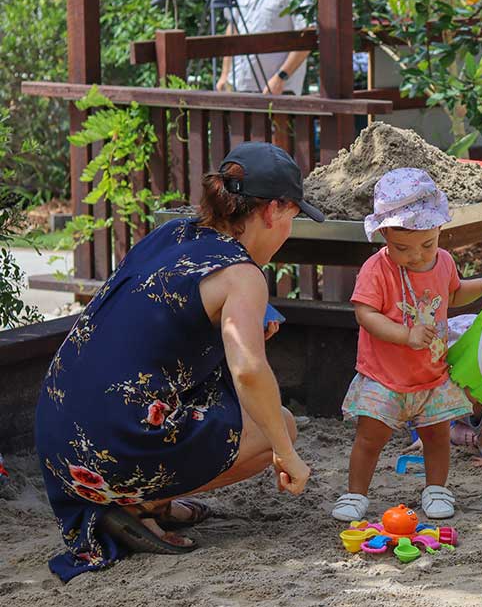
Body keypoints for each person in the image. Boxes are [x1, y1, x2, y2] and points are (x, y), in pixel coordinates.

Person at [34, 142, 324, 582]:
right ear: (272, 210)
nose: (290, 229)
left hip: (57, 438)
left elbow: (156, 321)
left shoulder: (174, 233)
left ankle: (143, 500)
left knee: (232, 409)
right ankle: (138, 504)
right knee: (278, 426)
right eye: (293, 216)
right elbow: (247, 369)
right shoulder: (243, 275)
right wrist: (288, 455)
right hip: (105, 452)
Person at [331, 168, 482, 522]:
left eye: (427, 244)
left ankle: (437, 489)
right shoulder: (376, 270)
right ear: (383, 235)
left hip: (431, 374)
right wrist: (404, 334)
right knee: (370, 438)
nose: (416, 256)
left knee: (437, 437)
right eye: (403, 248)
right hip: (384, 376)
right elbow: (365, 314)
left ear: (440, 229)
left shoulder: (442, 261)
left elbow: (453, 293)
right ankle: (355, 494)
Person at [216, 0, 310, 95]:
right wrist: (225, 74)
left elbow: (306, 35)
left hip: (279, 90)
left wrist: (281, 77)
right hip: (239, 86)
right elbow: (233, 27)